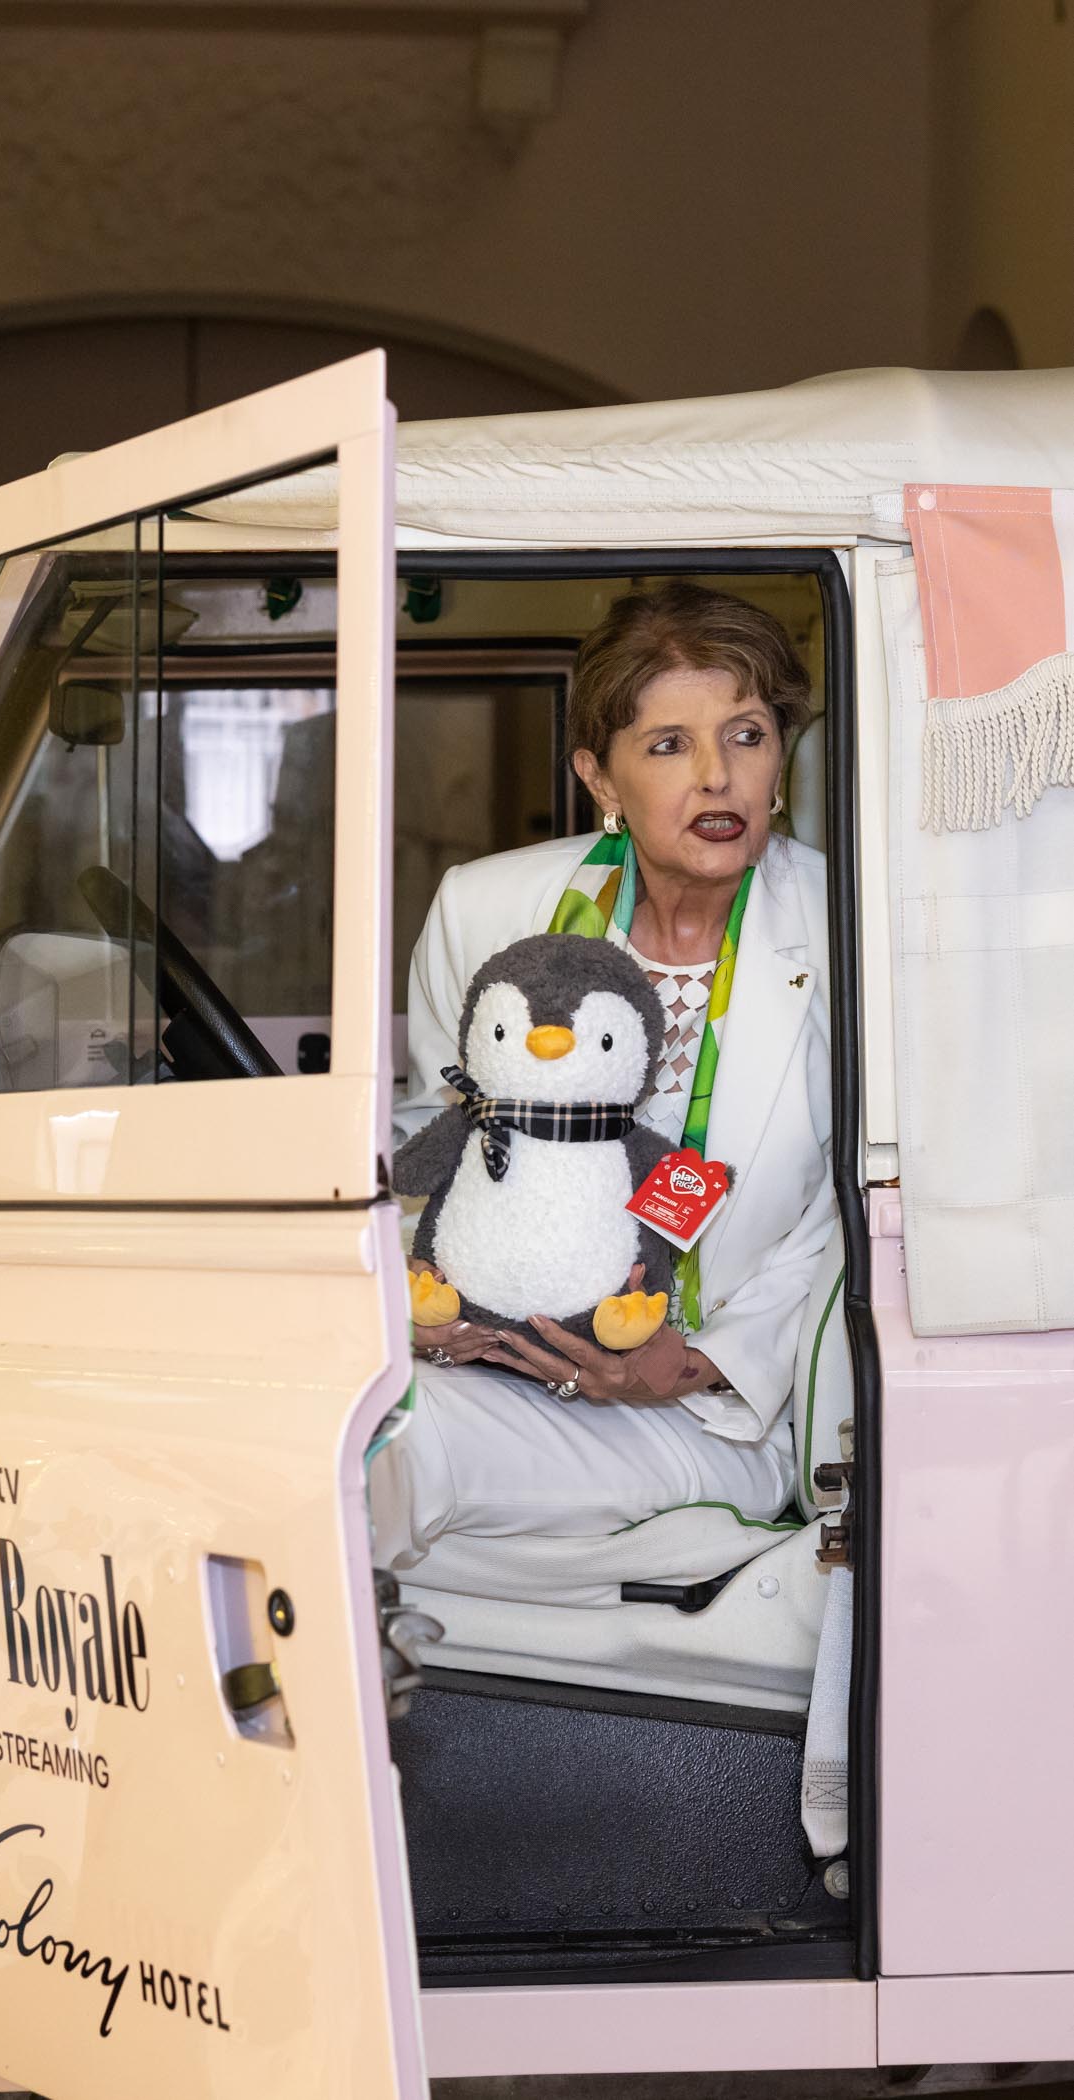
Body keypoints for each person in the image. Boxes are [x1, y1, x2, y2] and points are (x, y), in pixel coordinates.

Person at [373, 580, 835, 1578]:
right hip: (494, 1358)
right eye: (668, 745)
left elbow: (858, 1216)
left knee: (391, 1447)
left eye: (747, 735)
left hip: (706, 1408)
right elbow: (433, 1133)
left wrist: (703, 1361)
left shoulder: (849, 932)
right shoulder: (484, 906)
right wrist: (432, 1302)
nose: (717, 776)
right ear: (600, 776)